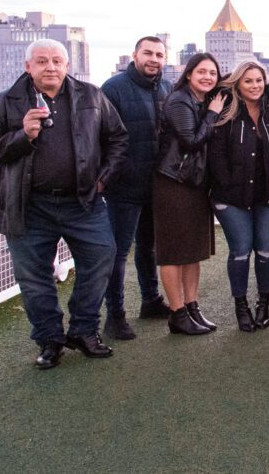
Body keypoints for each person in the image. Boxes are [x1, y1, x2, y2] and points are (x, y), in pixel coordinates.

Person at [0, 39, 128, 369]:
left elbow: (118, 138)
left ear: (67, 66)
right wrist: (23, 136)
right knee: (33, 278)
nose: (51, 67)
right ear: (28, 67)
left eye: (57, 61)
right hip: (29, 205)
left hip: (83, 201)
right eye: (42, 61)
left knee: (102, 255)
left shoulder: (92, 96)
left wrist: (102, 180)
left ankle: (84, 330)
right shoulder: (6, 103)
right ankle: (50, 339)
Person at [99, 36, 172, 341]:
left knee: (148, 246)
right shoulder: (113, 88)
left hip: (155, 183)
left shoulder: (166, 88)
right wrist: (108, 175)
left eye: (159, 54)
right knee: (117, 252)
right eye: (148, 53)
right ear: (135, 55)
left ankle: (150, 300)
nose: (153, 59)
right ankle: (114, 316)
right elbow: (100, 135)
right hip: (124, 185)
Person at [208, 60, 269, 332]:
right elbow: (215, 156)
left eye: (259, 80)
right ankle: (241, 307)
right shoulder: (226, 113)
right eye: (248, 81)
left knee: (266, 251)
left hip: (267, 194)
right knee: (241, 251)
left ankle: (263, 305)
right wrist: (227, 185)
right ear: (238, 84)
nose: (255, 86)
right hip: (231, 197)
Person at [153, 52, 225, 335]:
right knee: (173, 251)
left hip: (193, 183)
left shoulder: (199, 99)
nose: (208, 77)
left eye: (212, 73)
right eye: (202, 72)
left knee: (193, 250)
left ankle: (192, 307)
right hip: (173, 183)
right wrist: (212, 114)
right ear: (189, 73)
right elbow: (192, 140)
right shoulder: (179, 100)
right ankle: (177, 312)